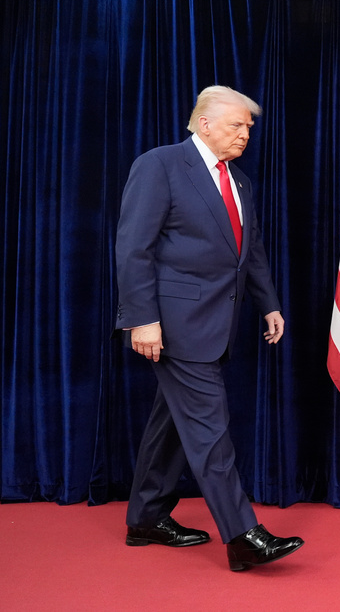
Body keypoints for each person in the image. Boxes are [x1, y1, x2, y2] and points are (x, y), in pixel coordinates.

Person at [115, 85, 303, 572]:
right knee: (209, 430)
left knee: (172, 426)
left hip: (217, 322)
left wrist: (269, 305)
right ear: (204, 123)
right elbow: (134, 247)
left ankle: (147, 517)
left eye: (248, 128)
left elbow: (250, 251)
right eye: (236, 125)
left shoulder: (238, 182)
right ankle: (243, 535)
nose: (245, 134)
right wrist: (142, 319)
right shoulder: (159, 165)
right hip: (175, 324)